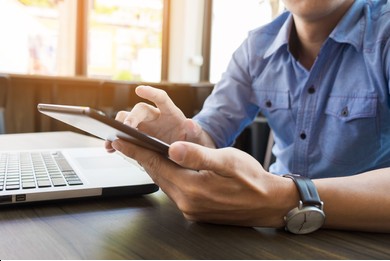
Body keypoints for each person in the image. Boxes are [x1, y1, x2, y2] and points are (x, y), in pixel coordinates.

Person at [106, 0, 390, 233]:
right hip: (273, 231)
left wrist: (283, 197)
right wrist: (184, 139)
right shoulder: (256, 46)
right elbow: (209, 132)